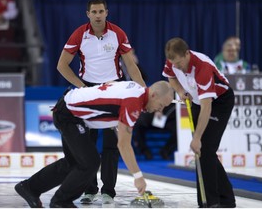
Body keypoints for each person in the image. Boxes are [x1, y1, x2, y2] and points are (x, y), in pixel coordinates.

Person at [14, 80, 174, 208]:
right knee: (90, 162)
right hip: (69, 114)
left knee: (73, 164)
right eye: (161, 105)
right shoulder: (134, 101)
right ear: (153, 95)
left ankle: (29, 188)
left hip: (70, 110)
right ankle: (60, 202)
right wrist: (138, 177)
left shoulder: (135, 89)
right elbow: (124, 145)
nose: (159, 110)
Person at [56, 0, 146, 206]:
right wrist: (83, 88)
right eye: (94, 12)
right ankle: (89, 190)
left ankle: (108, 191)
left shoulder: (117, 33)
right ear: (87, 14)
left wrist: (143, 91)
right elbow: (62, 65)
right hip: (88, 90)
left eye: (101, 12)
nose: (97, 15)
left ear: (107, 13)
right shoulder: (79, 34)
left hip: (115, 90)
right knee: (87, 146)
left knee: (111, 145)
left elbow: (131, 67)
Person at [162, 37, 236, 208]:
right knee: (203, 152)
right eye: (175, 63)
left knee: (204, 148)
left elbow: (207, 108)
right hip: (195, 101)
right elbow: (171, 77)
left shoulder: (202, 67)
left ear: (187, 53)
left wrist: (196, 138)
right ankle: (226, 198)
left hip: (219, 102)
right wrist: (180, 91)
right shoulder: (172, 61)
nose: (178, 67)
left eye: (180, 63)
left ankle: (211, 202)